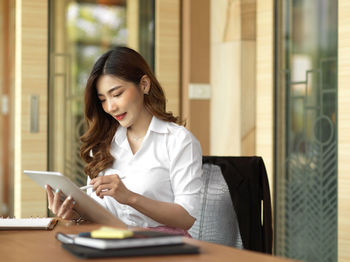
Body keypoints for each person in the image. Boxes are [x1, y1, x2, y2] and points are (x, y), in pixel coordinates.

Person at [45, 46, 203, 234]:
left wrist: (129, 197)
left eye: (117, 94)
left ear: (144, 84)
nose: (110, 107)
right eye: (102, 99)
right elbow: (99, 215)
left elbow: (187, 217)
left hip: (163, 246)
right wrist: (75, 215)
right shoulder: (102, 144)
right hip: (112, 242)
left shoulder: (179, 141)